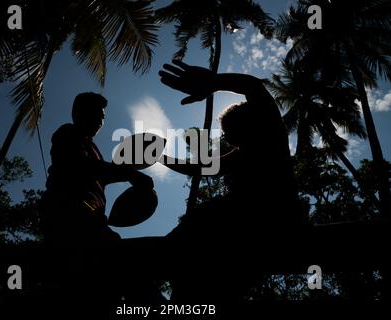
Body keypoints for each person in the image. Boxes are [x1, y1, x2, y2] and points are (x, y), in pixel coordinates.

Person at [158, 60, 307, 303]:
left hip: (271, 225)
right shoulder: (243, 152)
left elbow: (253, 86)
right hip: (245, 235)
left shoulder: (271, 135)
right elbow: (202, 168)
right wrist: (161, 157)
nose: (227, 138)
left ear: (247, 124)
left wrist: (213, 82)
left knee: (195, 232)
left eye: (229, 132)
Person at [41, 92, 153, 248]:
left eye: (103, 117)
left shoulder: (94, 149)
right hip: (69, 211)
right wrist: (130, 174)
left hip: (93, 215)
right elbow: (82, 166)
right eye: (95, 114)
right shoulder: (68, 132)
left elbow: (102, 176)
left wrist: (128, 174)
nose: (100, 120)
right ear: (78, 113)